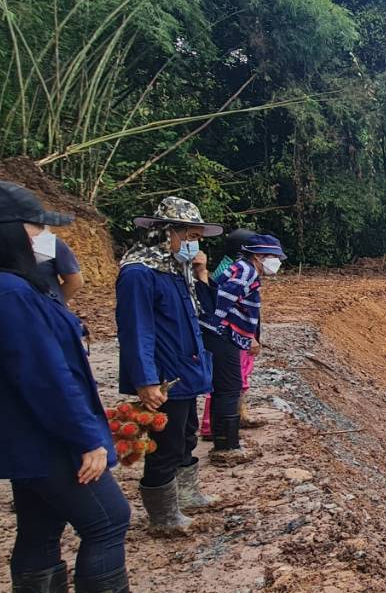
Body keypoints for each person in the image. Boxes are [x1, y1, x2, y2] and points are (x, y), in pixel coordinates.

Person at [0, 180, 157, 593]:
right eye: (36, 227)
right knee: (108, 519)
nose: (44, 238)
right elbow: (44, 375)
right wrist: (86, 438)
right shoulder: (6, 294)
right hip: (44, 436)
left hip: (21, 437)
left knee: (41, 523)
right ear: (6, 234)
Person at [116, 196, 222, 533]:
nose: (193, 244)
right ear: (166, 233)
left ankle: (187, 495)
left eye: (196, 238)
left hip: (186, 369)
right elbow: (136, 330)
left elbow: (205, 315)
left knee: (186, 433)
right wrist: (145, 380)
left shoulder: (178, 271)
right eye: (188, 236)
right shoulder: (138, 274)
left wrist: (202, 273)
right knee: (165, 444)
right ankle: (163, 517)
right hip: (164, 374)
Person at [200, 233, 286, 465]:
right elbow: (222, 301)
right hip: (223, 334)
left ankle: (224, 440)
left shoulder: (242, 269)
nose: (276, 262)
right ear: (259, 255)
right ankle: (226, 448)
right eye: (273, 257)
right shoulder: (246, 271)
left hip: (227, 334)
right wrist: (214, 328)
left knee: (226, 387)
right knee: (229, 388)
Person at [201, 228, 258, 441]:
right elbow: (224, 307)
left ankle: (236, 417)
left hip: (237, 334)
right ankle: (213, 428)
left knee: (237, 378)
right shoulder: (234, 271)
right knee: (228, 382)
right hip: (230, 336)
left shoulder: (232, 268)